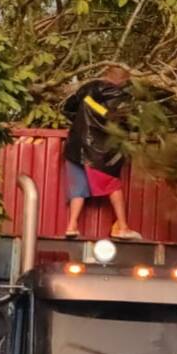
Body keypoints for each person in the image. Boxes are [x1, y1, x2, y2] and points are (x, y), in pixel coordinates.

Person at [63, 64, 143, 240]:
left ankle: (71, 227)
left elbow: (68, 108)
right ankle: (122, 227)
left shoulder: (86, 90)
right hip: (98, 150)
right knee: (114, 186)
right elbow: (128, 123)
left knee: (78, 189)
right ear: (123, 81)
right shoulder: (123, 98)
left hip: (74, 147)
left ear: (106, 75)